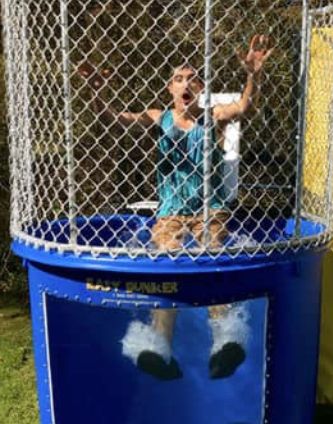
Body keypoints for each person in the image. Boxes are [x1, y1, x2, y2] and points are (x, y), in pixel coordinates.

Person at [78, 35, 273, 380]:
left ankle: (226, 343)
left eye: (193, 78)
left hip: (209, 211)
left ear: (201, 88)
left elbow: (246, 107)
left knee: (211, 258)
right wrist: (98, 91)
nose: (186, 83)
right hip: (169, 213)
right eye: (179, 78)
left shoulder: (214, 117)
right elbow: (112, 119)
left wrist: (253, 75)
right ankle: (159, 348)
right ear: (170, 88)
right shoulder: (159, 118)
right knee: (165, 267)